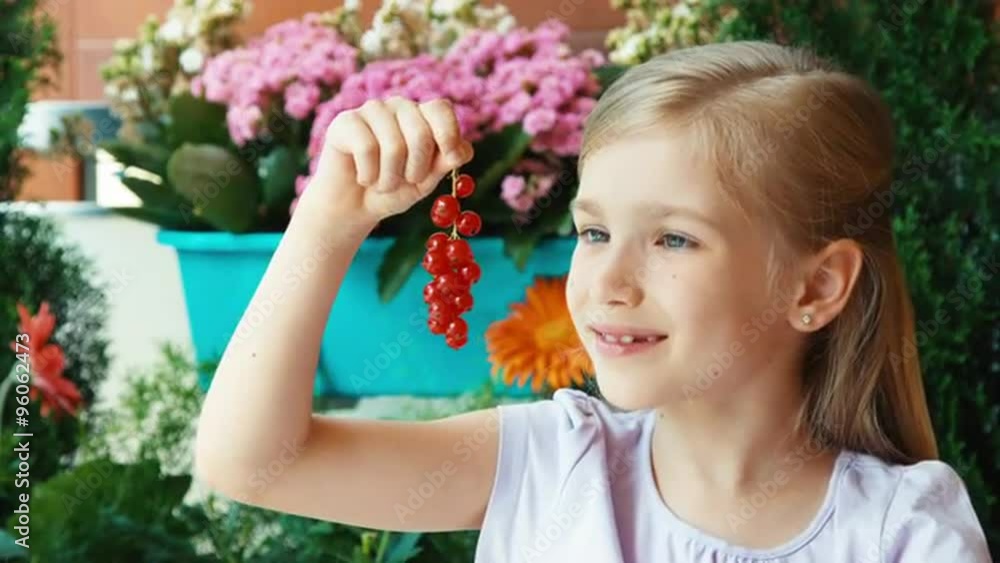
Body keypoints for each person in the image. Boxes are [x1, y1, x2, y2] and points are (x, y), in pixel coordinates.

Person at [193, 41, 993, 562]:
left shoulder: (904, 532)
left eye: (673, 239)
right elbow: (252, 461)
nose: (608, 282)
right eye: (594, 231)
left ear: (814, 286)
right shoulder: (547, 462)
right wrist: (329, 220)